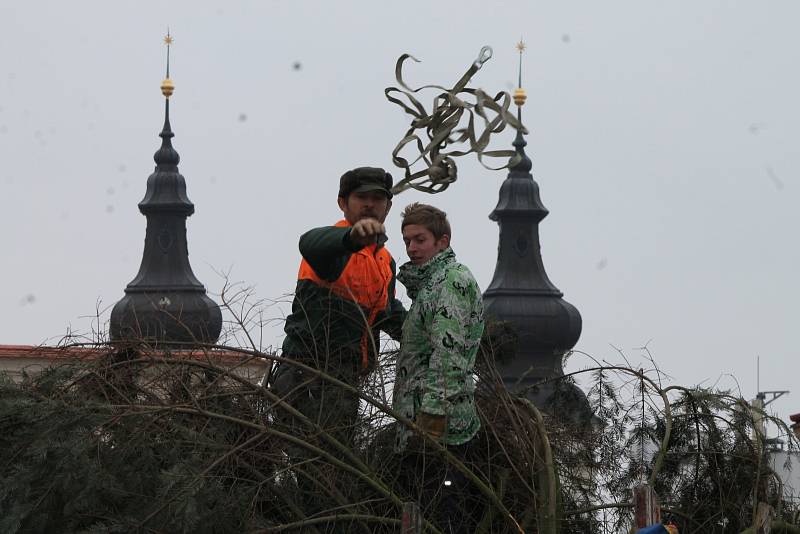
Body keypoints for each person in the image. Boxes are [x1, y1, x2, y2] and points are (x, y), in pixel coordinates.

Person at [272, 166, 405, 446]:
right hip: (307, 378)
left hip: (343, 382)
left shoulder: (384, 261)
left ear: (388, 207)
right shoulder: (334, 247)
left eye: (378, 198)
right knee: (316, 466)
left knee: (335, 464)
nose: (370, 204)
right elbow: (309, 243)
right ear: (342, 203)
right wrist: (351, 238)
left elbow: (387, 314)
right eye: (361, 197)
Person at [393, 202, 484, 532]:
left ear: (442, 241)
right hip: (422, 423)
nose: (412, 248)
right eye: (406, 241)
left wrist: (430, 422)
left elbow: (449, 356)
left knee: (443, 520)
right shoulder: (429, 287)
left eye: (420, 240)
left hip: (440, 431)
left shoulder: (450, 282)